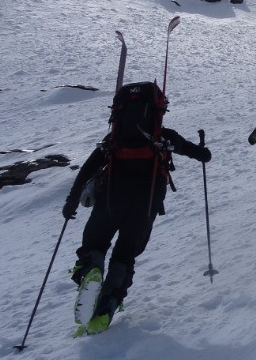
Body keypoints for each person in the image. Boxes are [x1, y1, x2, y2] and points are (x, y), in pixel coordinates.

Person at [63, 82, 212, 334]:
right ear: (158, 111)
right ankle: (108, 304)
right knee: (125, 254)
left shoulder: (113, 140)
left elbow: (87, 170)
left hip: (112, 195)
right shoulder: (164, 138)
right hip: (147, 200)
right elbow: (201, 155)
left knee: (95, 244)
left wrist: (71, 201)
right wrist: (203, 150)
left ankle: (92, 269)